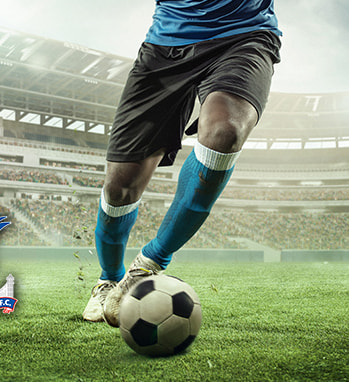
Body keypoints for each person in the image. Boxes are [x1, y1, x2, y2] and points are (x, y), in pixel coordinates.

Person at [82, 0, 282, 326]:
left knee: (224, 130)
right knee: (120, 188)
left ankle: (147, 265)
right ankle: (108, 279)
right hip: (165, 46)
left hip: (244, 35)